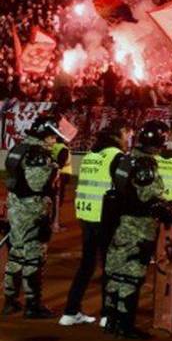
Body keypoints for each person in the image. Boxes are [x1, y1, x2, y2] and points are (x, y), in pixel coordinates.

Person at [102, 120, 172, 339]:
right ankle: (125, 325)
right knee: (131, 276)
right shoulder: (145, 164)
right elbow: (151, 198)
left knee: (115, 273)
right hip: (137, 225)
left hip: (119, 222)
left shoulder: (124, 159)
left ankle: (111, 319)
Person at [60, 125, 124, 326]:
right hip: (105, 217)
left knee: (86, 266)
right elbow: (121, 187)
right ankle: (107, 315)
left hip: (86, 215)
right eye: (126, 133)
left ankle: (70, 312)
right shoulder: (116, 156)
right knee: (109, 267)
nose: (128, 138)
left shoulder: (89, 156)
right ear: (116, 137)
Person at [3, 116, 64, 318]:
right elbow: (37, 185)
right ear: (44, 136)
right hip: (31, 211)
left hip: (16, 208)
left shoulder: (19, 148)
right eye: (52, 137)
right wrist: (54, 167)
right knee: (33, 258)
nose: (54, 141)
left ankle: (10, 300)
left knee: (16, 254)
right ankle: (33, 304)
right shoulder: (38, 154)